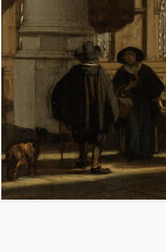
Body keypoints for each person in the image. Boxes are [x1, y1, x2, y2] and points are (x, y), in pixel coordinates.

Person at [50, 41, 120, 174]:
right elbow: (110, 95)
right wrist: (113, 112)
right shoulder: (101, 72)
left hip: (79, 115)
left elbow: (59, 90)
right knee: (98, 138)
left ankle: (82, 160)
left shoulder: (74, 72)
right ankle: (94, 165)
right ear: (96, 57)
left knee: (82, 135)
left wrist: (61, 109)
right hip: (97, 114)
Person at [112, 46, 166, 160]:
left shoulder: (145, 69)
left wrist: (158, 103)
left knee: (146, 126)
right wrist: (129, 87)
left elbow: (156, 86)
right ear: (123, 58)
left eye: (131, 54)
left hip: (145, 103)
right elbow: (115, 89)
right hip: (130, 104)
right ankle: (133, 153)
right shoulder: (122, 71)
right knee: (133, 126)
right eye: (126, 55)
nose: (129, 57)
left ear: (136, 56)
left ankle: (145, 152)